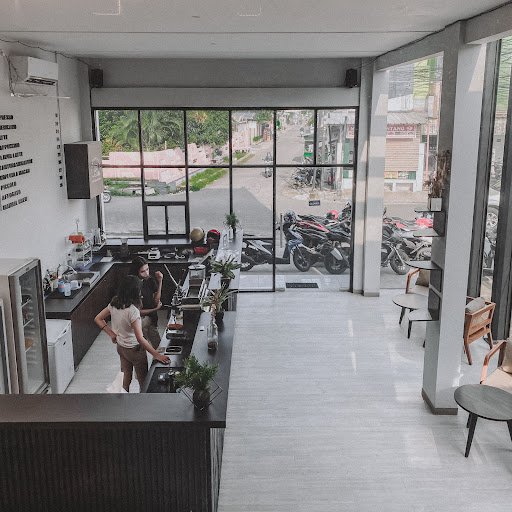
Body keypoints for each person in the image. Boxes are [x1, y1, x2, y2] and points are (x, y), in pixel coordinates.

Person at [94, 275, 170, 392]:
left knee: (125, 378)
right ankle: (142, 401)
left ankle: (124, 399)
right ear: (136, 292)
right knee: (143, 381)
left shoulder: (114, 304)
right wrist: (156, 355)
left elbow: (98, 318)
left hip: (121, 347)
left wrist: (112, 334)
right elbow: (140, 338)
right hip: (135, 350)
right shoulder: (133, 311)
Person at [130, 256, 163, 349]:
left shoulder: (149, 279)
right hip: (140, 320)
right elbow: (136, 312)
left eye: (147, 269)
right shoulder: (132, 285)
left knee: (158, 345)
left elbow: (156, 301)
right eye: (142, 271)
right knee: (141, 347)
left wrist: (160, 281)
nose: (147, 273)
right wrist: (155, 309)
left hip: (151, 317)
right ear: (136, 272)